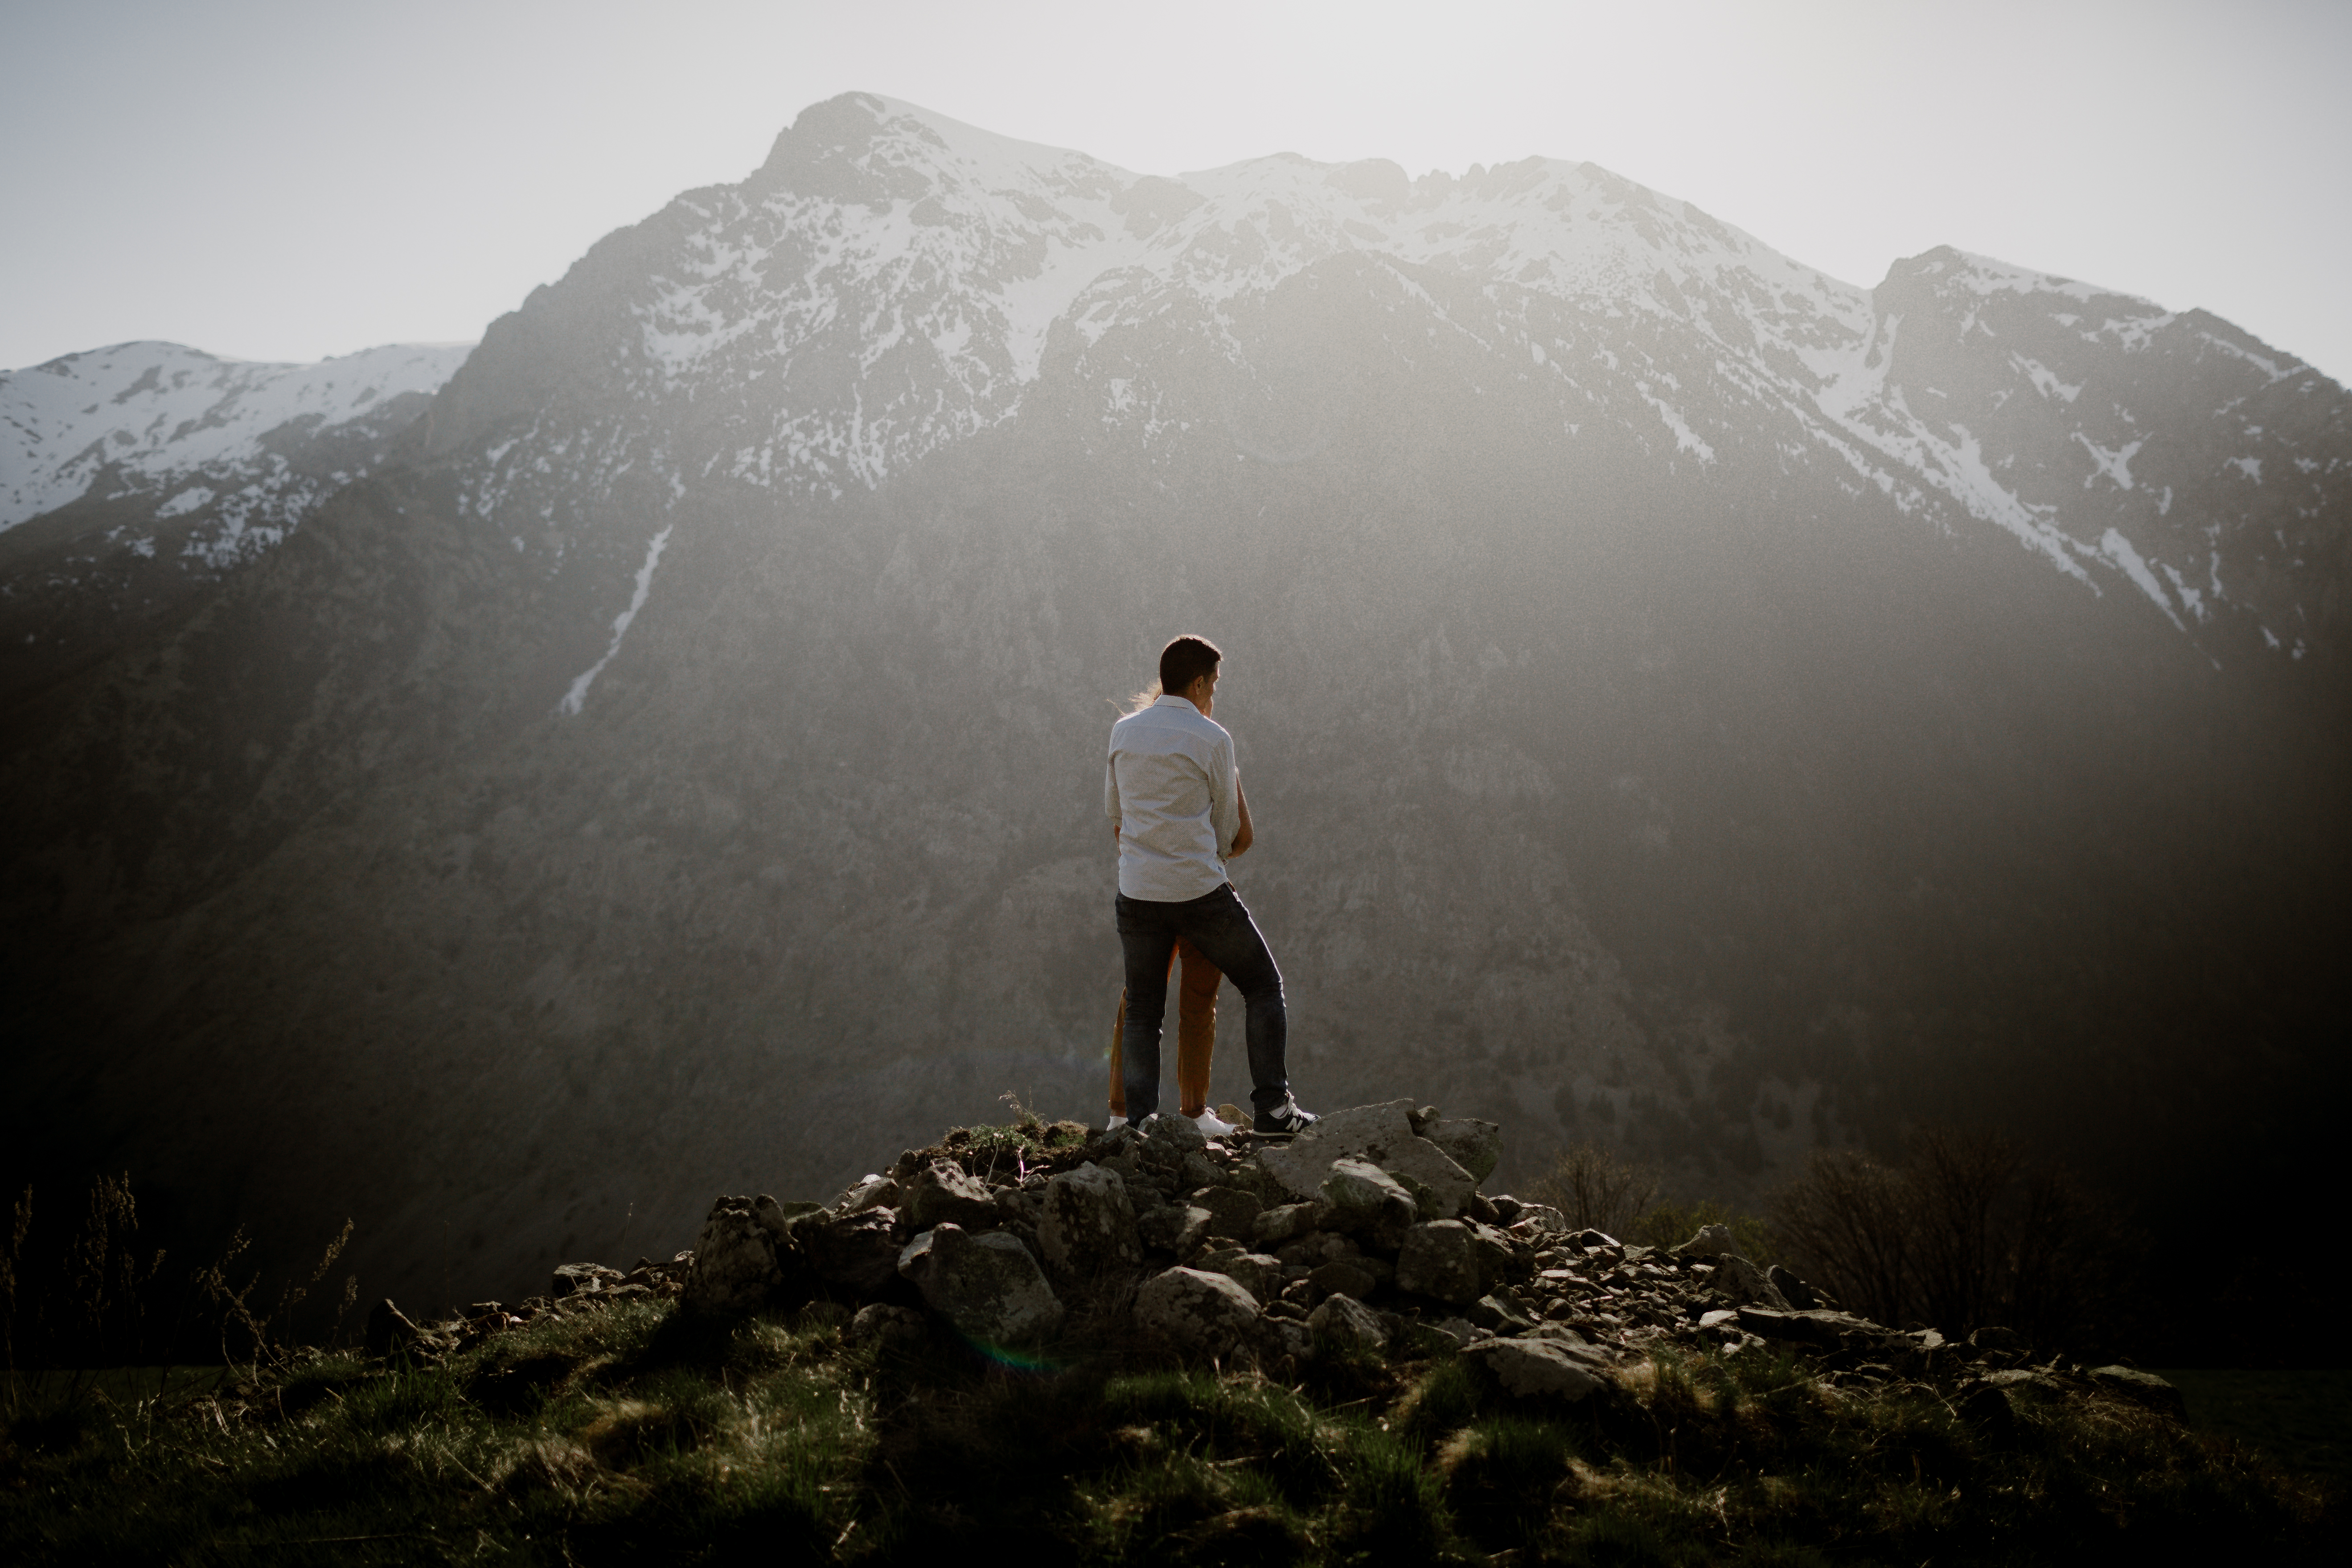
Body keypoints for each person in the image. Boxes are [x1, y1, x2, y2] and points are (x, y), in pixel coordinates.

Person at [1104, 635, 1315, 1134]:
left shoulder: (1122, 733)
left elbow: (1115, 815)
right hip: (1199, 892)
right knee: (1263, 985)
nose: (1215, 696)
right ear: (1198, 683)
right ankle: (1273, 1110)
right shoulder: (1212, 738)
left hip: (1138, 892)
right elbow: (1230, 831)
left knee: (1142, 1010)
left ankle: (1137, 1125)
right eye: (1214, 685)